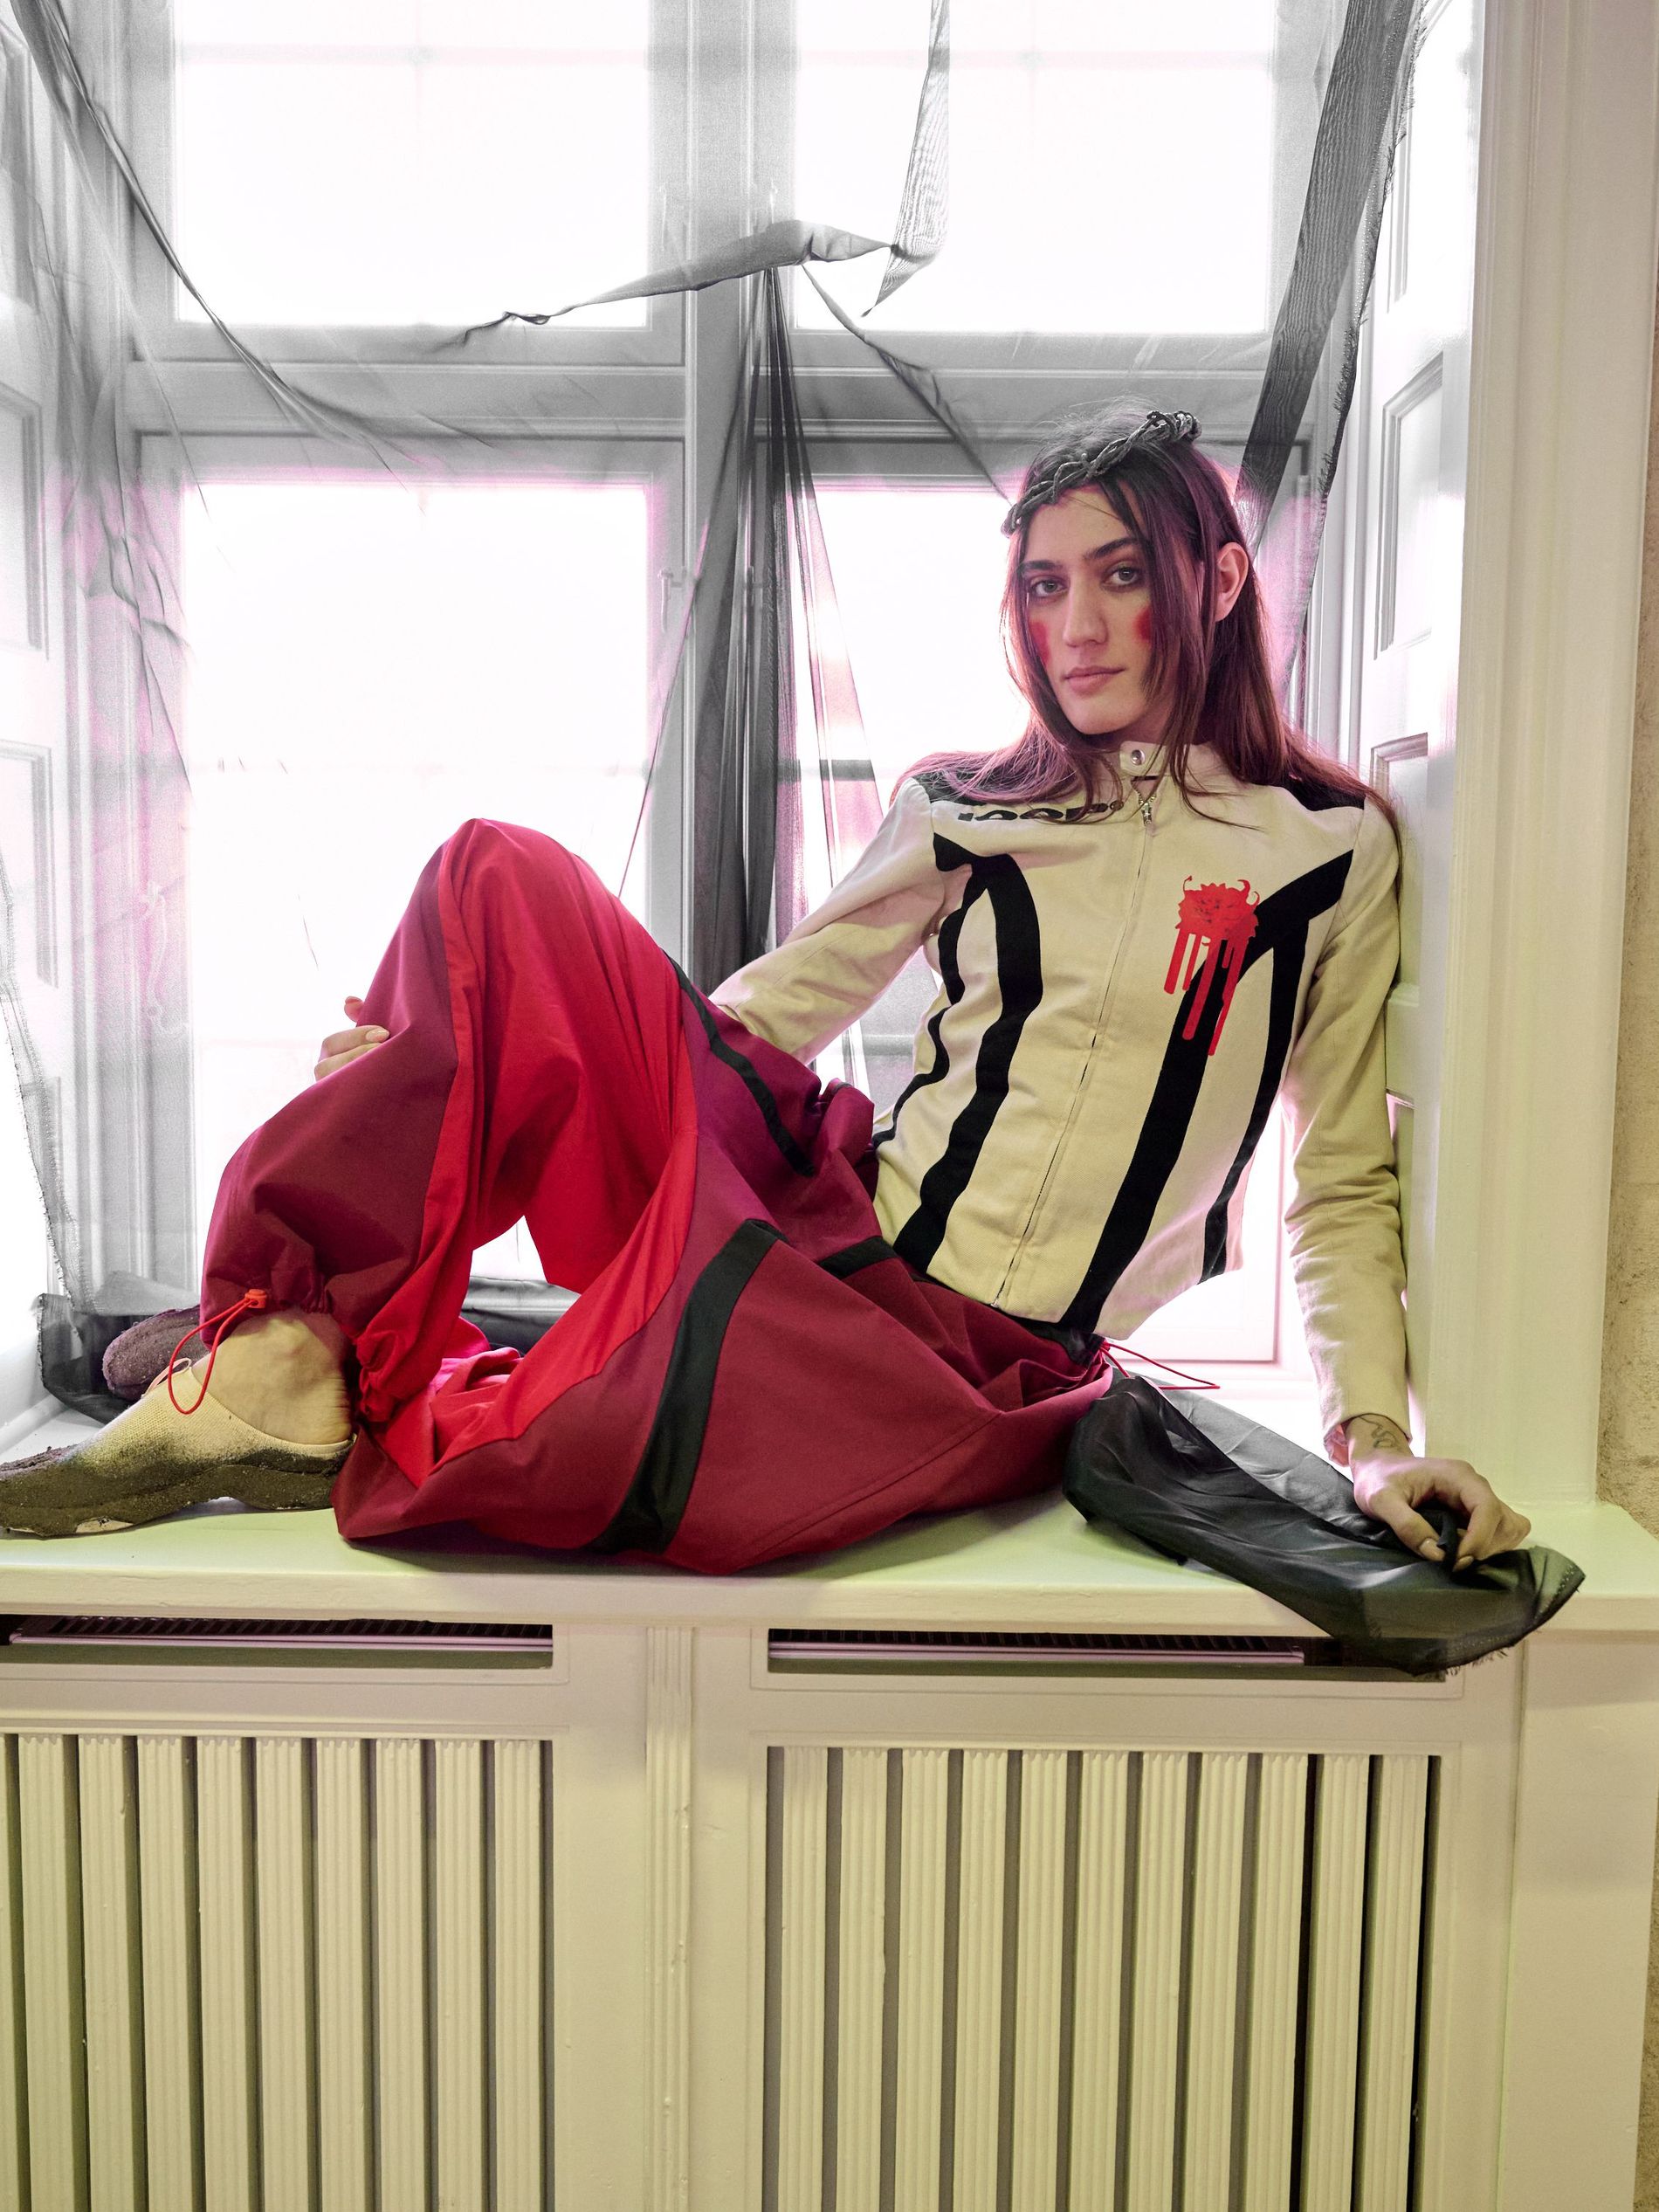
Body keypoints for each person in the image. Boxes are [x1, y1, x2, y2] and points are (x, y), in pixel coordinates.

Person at [0, 409, 1530, 1573]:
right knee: (495, 879)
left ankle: (317, 1361)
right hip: (834, 1205)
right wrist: (463, 1043)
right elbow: (762, 1014)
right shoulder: (967, 806)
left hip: (965, 1361)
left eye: (1119, 577)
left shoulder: (1326, 853)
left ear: (1219, 578)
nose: (1073, 627)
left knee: (558, 1450)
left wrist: (1373, 1444)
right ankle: (270, 1345)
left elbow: (1342, 1181)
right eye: (1046, 585)